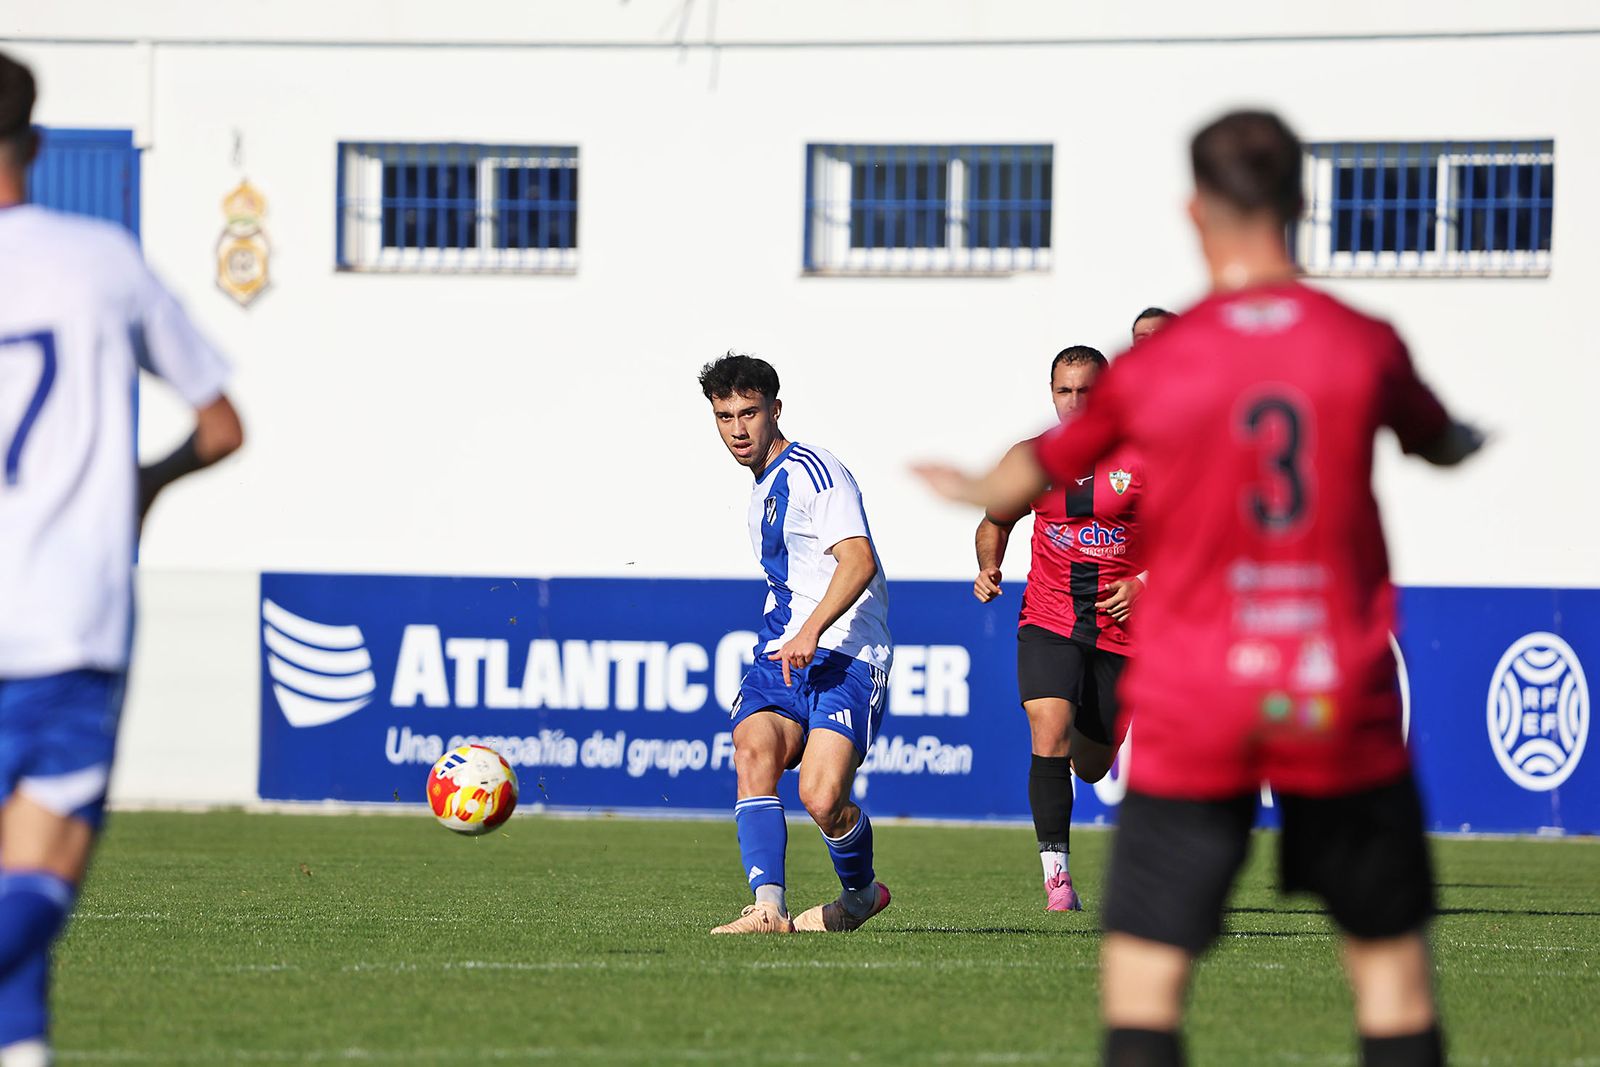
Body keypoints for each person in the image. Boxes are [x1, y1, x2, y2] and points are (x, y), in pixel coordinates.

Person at [916, 109, 1483, 1067]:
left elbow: (1038, 466)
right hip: (1331, 682)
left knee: (1145, 981)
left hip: (1198, 688)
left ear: (1194, 211)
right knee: (1389, 978)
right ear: (1302, 202)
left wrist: (971, 488)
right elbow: (1439, 439)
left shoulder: (1165, 363)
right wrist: (1466, 439)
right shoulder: (1361, 338)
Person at [0, 52, 244, 1067]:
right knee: (27, 913)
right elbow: (221, 424)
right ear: (37, 143)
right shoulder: (103, 260)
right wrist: (138, 486)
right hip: (72, 624)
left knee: (20, 960)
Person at [698, 353, 892, 935]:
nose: (737, 428)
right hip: (782, 656)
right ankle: (768, 908)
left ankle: (860, 895)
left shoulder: (814, 471)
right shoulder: (759, 491)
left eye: (750, 412)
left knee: (821, 797)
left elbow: (857, 561)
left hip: (848, 656)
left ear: (775, 410)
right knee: (752, 751)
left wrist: (812, 631)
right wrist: (792, 637)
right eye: (724, 415)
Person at [973, 345, 1145, 912]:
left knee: (1091, 766)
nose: (1075, 403)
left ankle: (1087, 748)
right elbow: (993, 520)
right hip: (1047, 618)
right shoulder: (1032, 459)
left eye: (1087, 391)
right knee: (1048, 729)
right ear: (1052, 394)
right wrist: (988, 565)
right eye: (1065, 391)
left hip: (1121, 634)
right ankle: (1058, 880)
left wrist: (1143, 583)